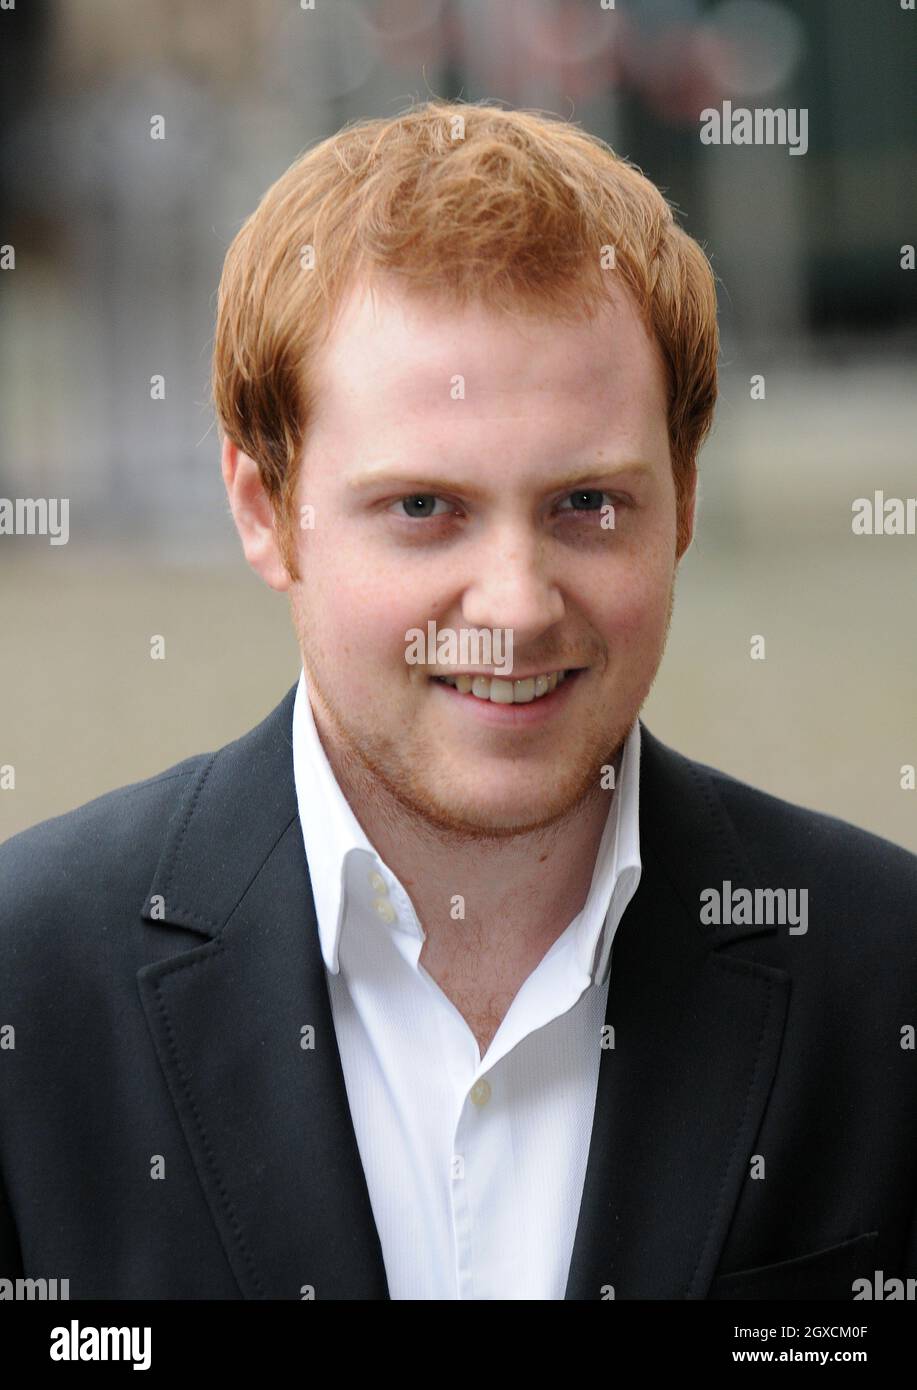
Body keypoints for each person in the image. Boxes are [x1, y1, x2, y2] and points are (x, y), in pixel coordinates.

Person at [1, 101, 914, 1302]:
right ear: (264, 508)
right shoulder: (29, 984)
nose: (516, 604)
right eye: (423, 507)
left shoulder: (884, 972)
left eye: (585, 502)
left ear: (683, 500)